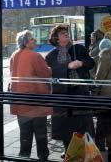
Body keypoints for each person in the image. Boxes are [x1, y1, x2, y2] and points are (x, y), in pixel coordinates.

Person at [45, 24, 95, 157]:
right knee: (66, 127)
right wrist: (67, 66)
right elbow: (52, 73)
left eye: (67, 32)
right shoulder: (51, 55)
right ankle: (69, 151)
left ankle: (85, 153)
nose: (66, 34)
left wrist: (81, 63)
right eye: (62, 33)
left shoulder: (78, 48)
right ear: (56, 37)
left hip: (80, 93)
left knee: (83, 125)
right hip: (62, 96)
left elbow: (91, 63)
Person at [9, 30, 52, 161]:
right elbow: (46, 73)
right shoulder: (34, 56)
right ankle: (43, 157)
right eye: (32, 39)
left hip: (20, 101)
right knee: (40, 133)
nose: (35, 41)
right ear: (26, 42)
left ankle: (24, 156)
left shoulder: (14, 55)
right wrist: (50, 69)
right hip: (36, 100)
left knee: (25, 133)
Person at [94, 38, 111, 152]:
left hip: (106, 94)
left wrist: (95, 90)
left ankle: (100, 146)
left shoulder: (105, 55)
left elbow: (100, 76)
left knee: (102, 120)